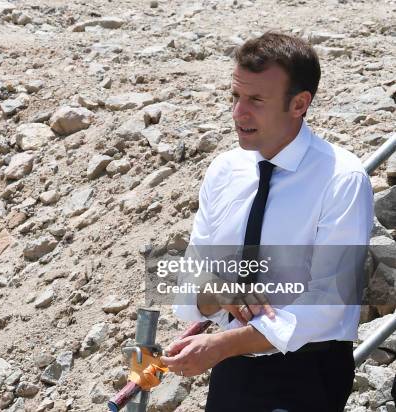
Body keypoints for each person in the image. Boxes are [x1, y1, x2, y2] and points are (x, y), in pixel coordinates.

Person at [159, 31, 374, 411]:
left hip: (307, 372)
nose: (238, 113)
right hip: (231, 369)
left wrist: (224, 343)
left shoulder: (342, 177)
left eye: (256, 100)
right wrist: (223, 292)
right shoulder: (224, 170)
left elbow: (329, 302)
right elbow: (191, 276)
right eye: (235, 97)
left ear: (299, 104)